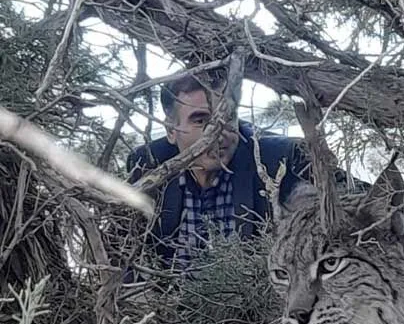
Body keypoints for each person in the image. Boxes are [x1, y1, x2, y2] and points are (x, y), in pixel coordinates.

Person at [126, 70, 310, 272]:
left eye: (227, 116)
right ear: (171, 130)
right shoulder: (148, 166)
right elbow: (121, 251)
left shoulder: (281, 159)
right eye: (200, 121)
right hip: (173, 299)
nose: (217, 133)